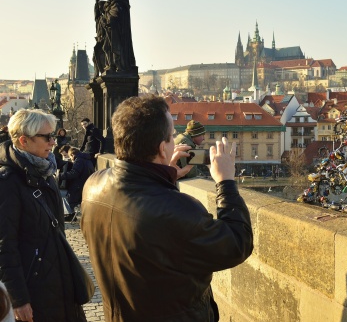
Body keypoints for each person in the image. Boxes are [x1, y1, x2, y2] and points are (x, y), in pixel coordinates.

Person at [81, 95, 253, 322]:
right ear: (163, 148)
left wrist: (166, 175)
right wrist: (226, 183)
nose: (174, 141)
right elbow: (236, 244)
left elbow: (144, 213)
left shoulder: (93, 184)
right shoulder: (179, 209)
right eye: (171, 136)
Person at [0, 109, 87, 322]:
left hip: (59, 279)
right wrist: (19, 299)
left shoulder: (45, 171)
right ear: (23, 141)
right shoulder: (8, 182)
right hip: (34, 286)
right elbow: (4, 246)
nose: (53, 142)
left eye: (54, 136)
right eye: (47, 137)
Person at [59, 148, 94, 222]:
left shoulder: (79, 160)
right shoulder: (87, 159)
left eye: (70, 157)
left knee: (62, 193)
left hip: (79, 187)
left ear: (72, 154)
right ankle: (71, 214)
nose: (71, 159)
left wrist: (60, 176)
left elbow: (74, 173)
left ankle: (70, 214)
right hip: (86, 185)